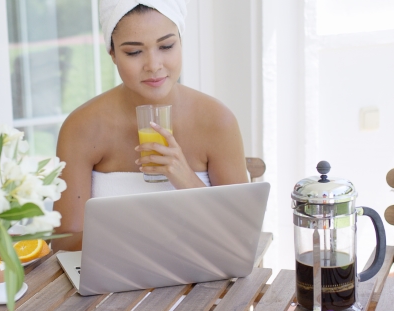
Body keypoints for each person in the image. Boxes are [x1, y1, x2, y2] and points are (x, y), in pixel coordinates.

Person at [52, 0, 248, 252]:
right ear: (112, 53)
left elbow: (241, 238)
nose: (154, 65)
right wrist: (144, 234)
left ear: (181, 41)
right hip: (113, 283)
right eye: (134, 52)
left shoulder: (217, 121)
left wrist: (185, 178)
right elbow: (64, 243)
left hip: (203, 283)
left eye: (166, 46)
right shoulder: (82, 128)